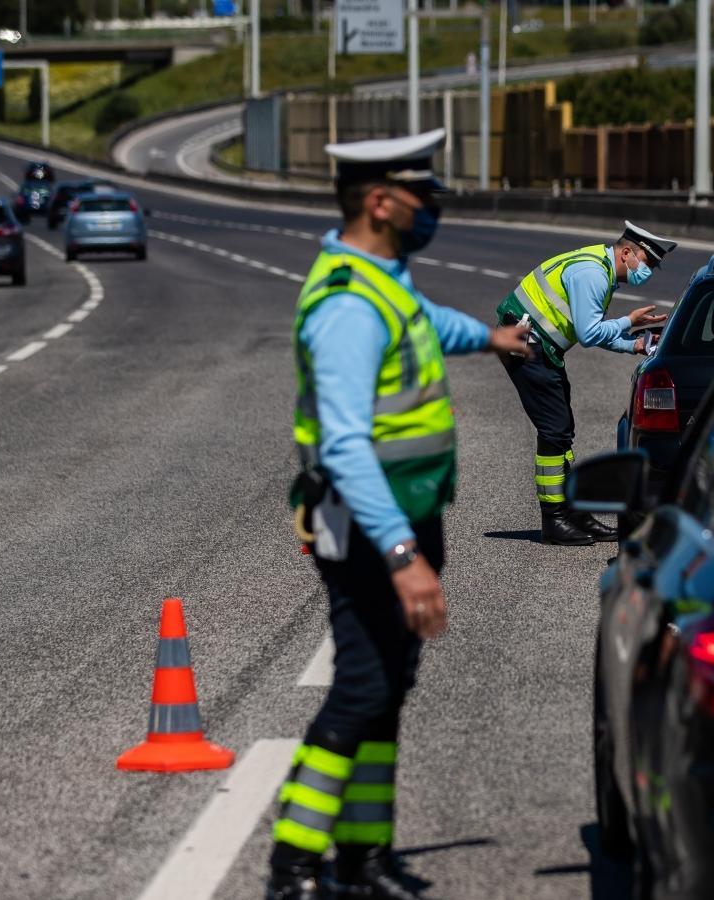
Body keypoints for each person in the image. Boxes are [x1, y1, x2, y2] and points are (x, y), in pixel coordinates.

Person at [266, 128, 529, 900]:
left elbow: (424, 323)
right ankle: (293, 865)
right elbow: (345, 447)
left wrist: (489, 337)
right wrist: (404, 556)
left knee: (387, 690)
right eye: (423, 196)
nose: (432, 208)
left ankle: (364, 859)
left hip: (406, 517)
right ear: (380, 202)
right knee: (362, 690)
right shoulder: (347, 306)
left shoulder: (384, 281)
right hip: (371, 526)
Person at [497, 222, 678, 546]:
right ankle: (554, 520)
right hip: (526, 345)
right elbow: (589, 333)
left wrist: (633, 344)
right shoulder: (592, 274)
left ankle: (572, 512)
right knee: (554, 431)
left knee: (562, 429)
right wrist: (629, 322)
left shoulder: (600, 268)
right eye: (647, 262)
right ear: (627, 252)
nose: (648, 271)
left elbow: (594, 330)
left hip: (539, 347)